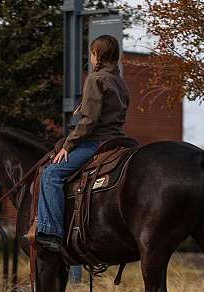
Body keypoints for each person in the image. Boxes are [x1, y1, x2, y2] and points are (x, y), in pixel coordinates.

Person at [36, 35, 130, 252]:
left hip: (97, 142)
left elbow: (89, 121)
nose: (91, 56)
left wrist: (68, 146)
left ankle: (51, 233)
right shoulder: (120, 82)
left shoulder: (95, 79)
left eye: (92, 53)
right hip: (120, 141)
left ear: (98, 55)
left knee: (51, 174)